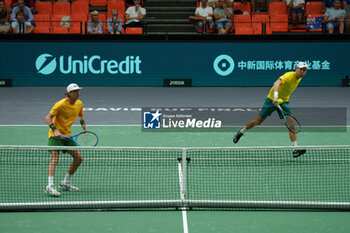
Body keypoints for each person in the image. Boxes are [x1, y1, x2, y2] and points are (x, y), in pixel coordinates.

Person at [233, 62, 308, 158]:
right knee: (258, 121)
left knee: (291, 123)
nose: (302, 72)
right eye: (301, 69)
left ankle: (295, 149)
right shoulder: (288, 76)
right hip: (271, 100)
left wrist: (280, 100)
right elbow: (276, 83)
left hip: (284, 102)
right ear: (296, 68)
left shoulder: (300, 78)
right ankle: (241, 131)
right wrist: (275, 98)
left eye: (304, 70)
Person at [44, 83, 86, 197]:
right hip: (55, 136)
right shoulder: (60, 105)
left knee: (79, 158)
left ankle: (65, 183)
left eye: (78, 91)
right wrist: (55, 130)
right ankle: (50, 186)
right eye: (75, 91)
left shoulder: (79, 104)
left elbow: (80, 115)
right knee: (54, 160)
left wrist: (83, 124)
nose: (78, 93)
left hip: (67, 135)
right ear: (68, 94)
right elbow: (47, 117)